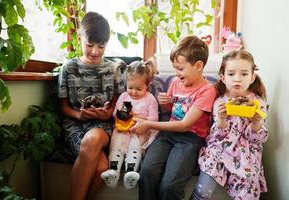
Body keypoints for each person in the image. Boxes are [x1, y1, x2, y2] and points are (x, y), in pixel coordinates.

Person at [130, 35, 217, 200]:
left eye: (181, 68)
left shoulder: (207, 91)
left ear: (198, 66)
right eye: (174, 68)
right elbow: (174, 112)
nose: (176, 73)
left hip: (190, 139)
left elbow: (184, 125)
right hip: (168, 135)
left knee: (169, 186)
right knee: (147, 171)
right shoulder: (176, 82)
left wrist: (149, 124)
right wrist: (166, 103)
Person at [57, 12, 125, 200]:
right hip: (75, 124)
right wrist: (79, 116)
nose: (95, 51)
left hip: (101, 127)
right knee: (102, 167)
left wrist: (108, 114)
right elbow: (64, 107)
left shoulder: (114, 69)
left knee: (92, 140)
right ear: (80, 38)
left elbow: (118, 105)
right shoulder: (68, 68)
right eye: (89, 45)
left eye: (101, 46)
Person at [191, 50, 268, 200]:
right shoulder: (220, 102)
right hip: (220, 149)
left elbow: (256, 140)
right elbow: (216, 136)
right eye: (231, 74)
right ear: (223, 77)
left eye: (244, 74)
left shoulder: (259, 103)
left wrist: (257, 122)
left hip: (246, 152)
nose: (237, 79)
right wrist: (221, 119)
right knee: (206, 179)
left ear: (252, 77)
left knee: (248, 188)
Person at [101, 60, 159, 190]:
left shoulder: (150, 99)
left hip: (139, 132)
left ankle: (130, 173)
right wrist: (123, 114)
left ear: (147, 85)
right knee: (116, 148)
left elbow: (154, 120)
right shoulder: (123, 96)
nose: (133, 92)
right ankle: (113, 171)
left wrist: (141, 120)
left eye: (139, 89)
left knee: (134, 149)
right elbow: (115, 115)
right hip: (122, 131)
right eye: (130, 87)